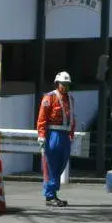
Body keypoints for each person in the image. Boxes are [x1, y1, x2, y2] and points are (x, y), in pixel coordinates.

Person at [36, 71, 76, 207]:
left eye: (67, 84)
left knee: (61, 164)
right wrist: (41, 136)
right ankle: (49, 196)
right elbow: (42, 118)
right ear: (57, 84)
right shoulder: (50, 98)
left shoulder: (70, 98)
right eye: (62, 84)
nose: (64, 86)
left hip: (65, 135)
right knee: (51, 165)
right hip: (53, 134)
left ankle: (53, 193)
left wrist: (71, 133)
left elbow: (72, 118)